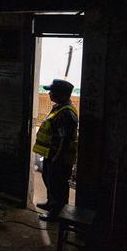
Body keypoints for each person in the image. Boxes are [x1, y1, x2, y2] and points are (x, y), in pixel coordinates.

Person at [33, 79, 78, 221]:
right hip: (51, 153)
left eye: (52, 91)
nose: (49, 94)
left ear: (62, 94)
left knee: (58, 186)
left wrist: (57, 158)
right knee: (49, 180)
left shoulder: (66, 114)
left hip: (60, 156)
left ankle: (56, 214)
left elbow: (65, 140)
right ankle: (50, 203)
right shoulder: (59, 108)